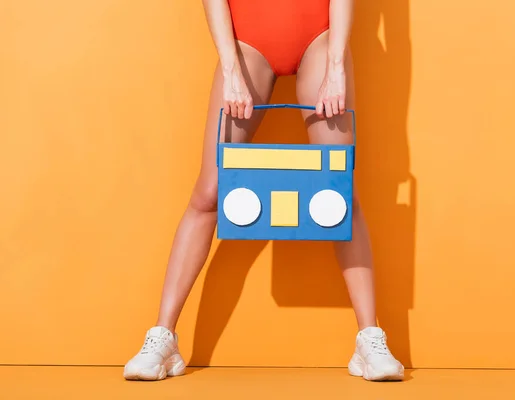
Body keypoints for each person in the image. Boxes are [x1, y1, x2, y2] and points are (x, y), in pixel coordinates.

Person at [123, 0, 404, 382]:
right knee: (209, 194)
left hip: (319, 39)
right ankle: (163, 338)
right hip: (247, 43)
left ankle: (369, 340)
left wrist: (336, 64)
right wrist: (230, 65)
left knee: (338, 192)